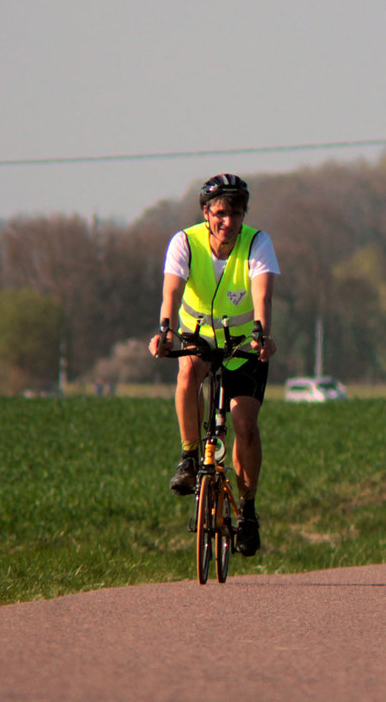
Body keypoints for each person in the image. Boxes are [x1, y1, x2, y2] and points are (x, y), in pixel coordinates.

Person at [148, 173, 279, 556]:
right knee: (188, 371)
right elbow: (171, 292)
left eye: (235, 213)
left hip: (244, 344)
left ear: (244, 214)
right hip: (197, 336)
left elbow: (263, 295)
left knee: (244, 424)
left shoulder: (257, 243)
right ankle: (189, 457)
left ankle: (249, 511)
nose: (227, 221)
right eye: (220, 212)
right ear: (206, 213)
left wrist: (262, 336)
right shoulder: (184, 242)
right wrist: (165, 331)